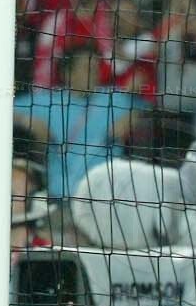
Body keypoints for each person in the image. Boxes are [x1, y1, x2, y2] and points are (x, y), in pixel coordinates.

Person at [13, 42, 145, 202]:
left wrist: (135, 116)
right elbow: (1, 108)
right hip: (61, 197)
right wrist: (26, 121)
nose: (94, 73)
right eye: (86, 68)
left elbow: (154, 110)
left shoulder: (116, 98)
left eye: (96, 68)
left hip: (105, 199)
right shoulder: (47, 101)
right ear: (68, 74)